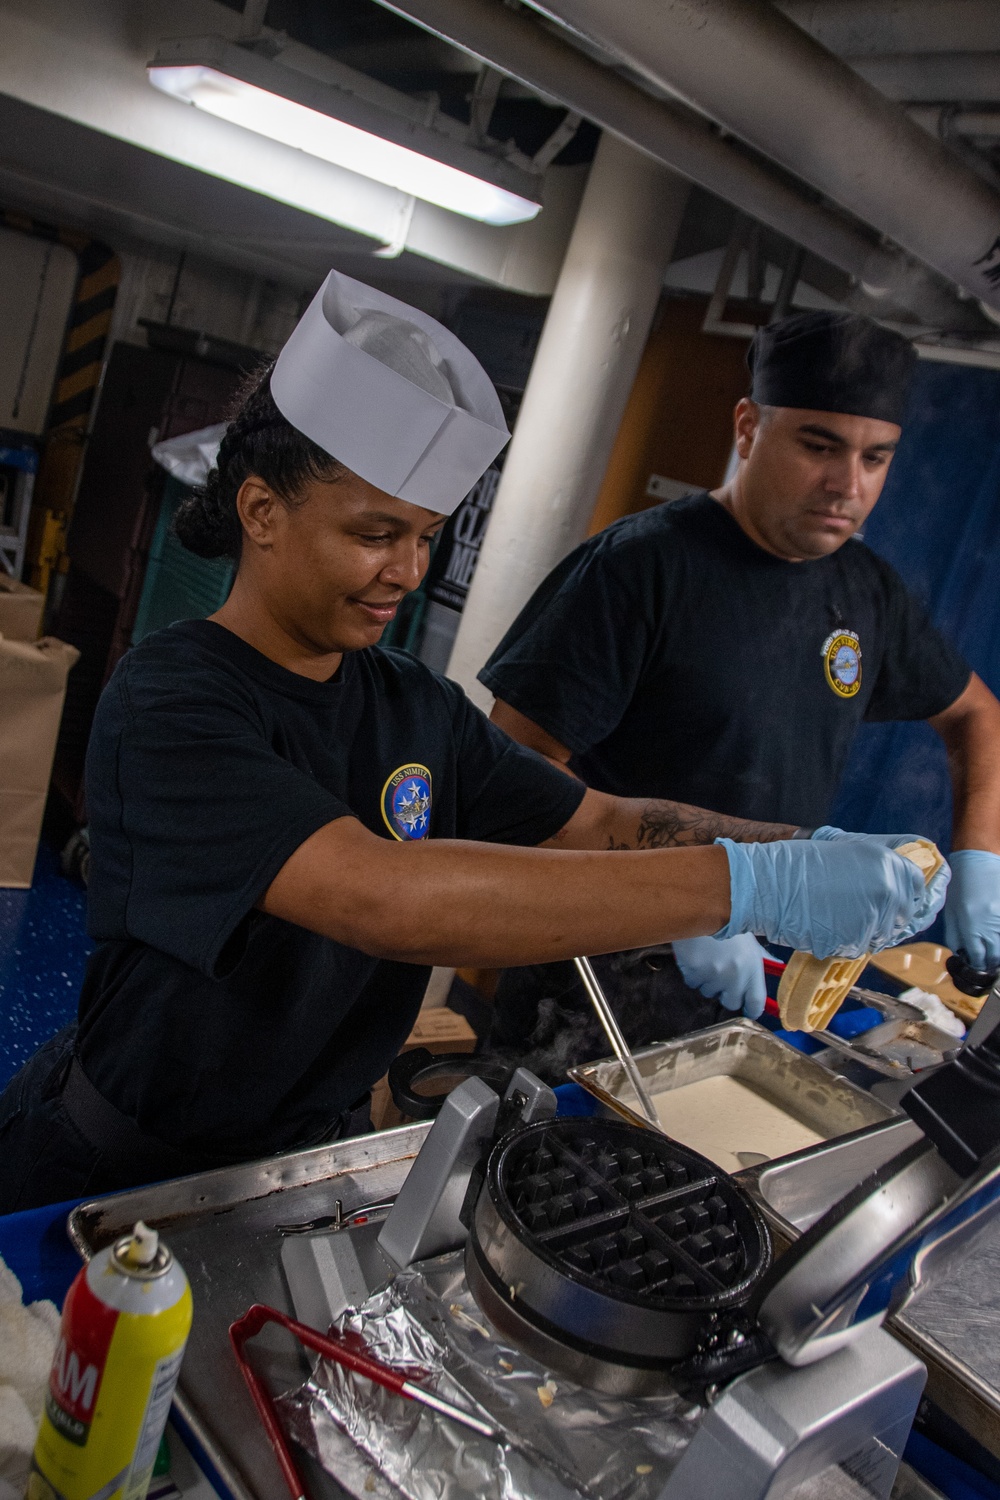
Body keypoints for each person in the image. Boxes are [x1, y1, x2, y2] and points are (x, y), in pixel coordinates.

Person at [0, 281, 943, 1212]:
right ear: (260, 512)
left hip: (296, 1170)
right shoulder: (172, 700)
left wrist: (796, 854)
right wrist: (744, 890)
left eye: (426, 538)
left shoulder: (415, 703)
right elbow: (385, 899)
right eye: (375, 535)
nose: (406, 573)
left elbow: (603, 823)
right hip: (117, 1172)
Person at [481, 310, 1000, 1049]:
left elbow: (978, 715)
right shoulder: (640, 570)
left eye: (876, 458)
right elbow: (507, 782)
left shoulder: (866, 591)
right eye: (819, 446)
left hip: (748, 975)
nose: (847, 485)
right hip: (590, 982)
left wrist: (981, 859)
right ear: (749, 427)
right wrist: (682, 903)